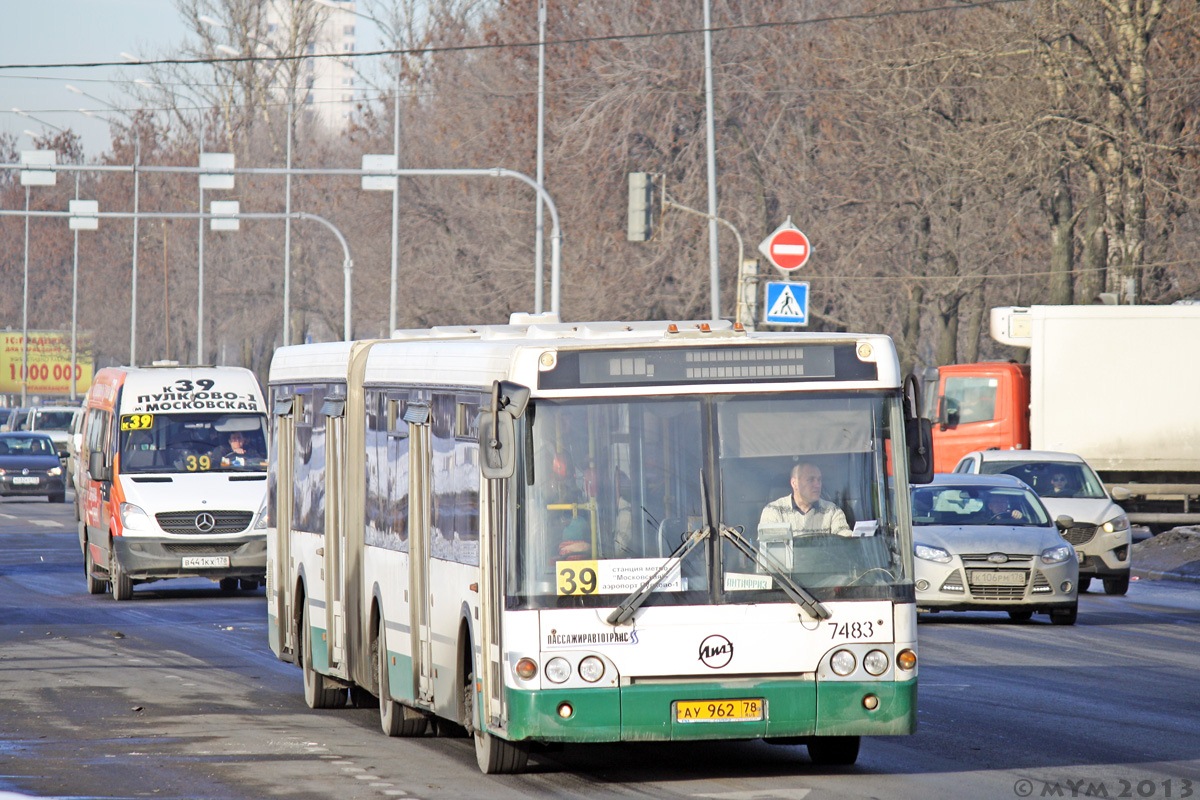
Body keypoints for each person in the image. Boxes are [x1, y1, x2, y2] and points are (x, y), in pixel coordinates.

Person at [758, 462, 852, 538]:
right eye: (811, 480)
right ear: (794, 483)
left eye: (819, 480)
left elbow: (845, 542)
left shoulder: (832, 511)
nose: (817, 485)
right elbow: (769, 551)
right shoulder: (773, 510)